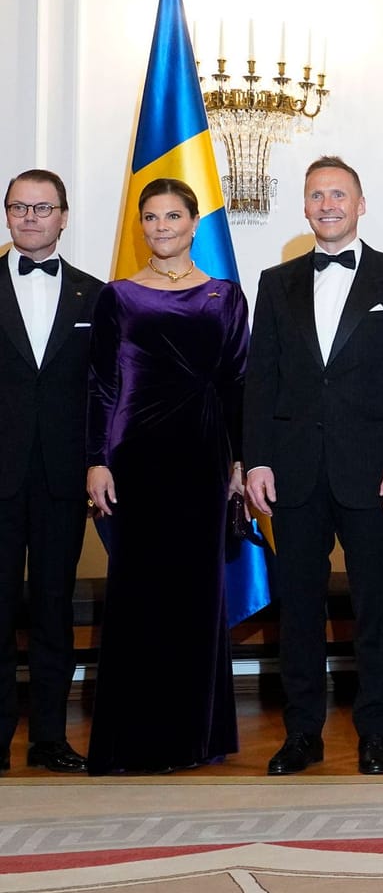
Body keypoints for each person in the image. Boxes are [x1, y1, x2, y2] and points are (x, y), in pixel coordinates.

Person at [244, 157, 383, 777]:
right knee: (298, 608)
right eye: (317, 195)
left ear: (361, 203)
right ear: (304, 206)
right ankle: (302, 734)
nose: (328, 204)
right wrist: (256, 461)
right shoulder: (275, 283)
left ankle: (375, 734)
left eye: (339, 194)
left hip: (374, 472)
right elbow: (259, 382)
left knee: (374, 605)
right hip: (291, 471)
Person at [84, 178, 249, 774]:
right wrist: (97, 460)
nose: (160, 228)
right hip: (135, 456)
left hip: (202, 454)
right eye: (150, 218)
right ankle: (132, 739)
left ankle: (194, 737)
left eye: (171, 216)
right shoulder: (119, 296)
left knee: (196, 594)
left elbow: (236, 383)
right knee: (138, 593)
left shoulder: (225, 296)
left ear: (194, 222)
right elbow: (101, 384)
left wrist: (238, 461)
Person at [0, 171, 102, 773]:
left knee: (54, 608)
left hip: (66, 478)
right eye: (19, 207)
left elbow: (106, 390)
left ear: (64, 216)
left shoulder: (97, 294)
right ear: (7, 214)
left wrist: (98, 461)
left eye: (43, 208)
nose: (30, 216)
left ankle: (48, 737)